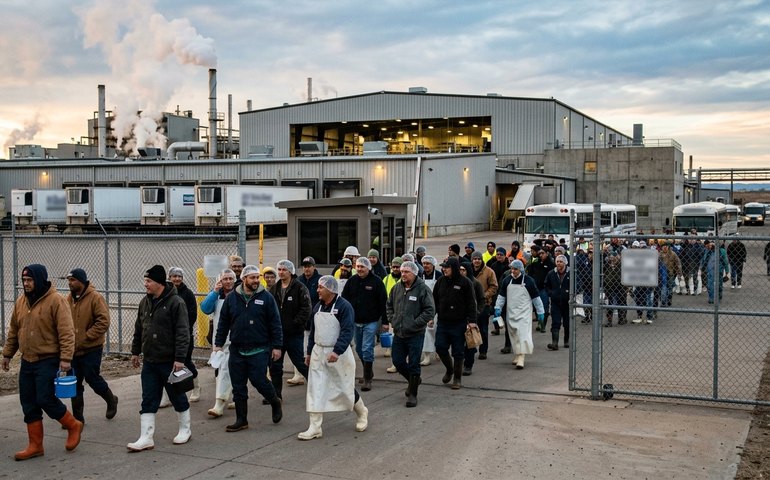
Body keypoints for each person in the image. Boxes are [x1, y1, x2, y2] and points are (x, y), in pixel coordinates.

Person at [2, 264, 83, 460]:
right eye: (24, 280)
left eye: (30, 280)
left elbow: (66, 332)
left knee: (45, 398)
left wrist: (65, 358)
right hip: (27, 360)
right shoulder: (21, 302)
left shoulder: (55, 301)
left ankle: (73, 425)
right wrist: (7, 354)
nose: (26, 284)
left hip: (48, 359)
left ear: (39, 280)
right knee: (28, 402)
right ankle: (35, 445)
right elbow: (14, 330)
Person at [128, 265, 191, 451]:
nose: (145, 284)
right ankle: (146, 437)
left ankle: (185, 430)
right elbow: (139, 329)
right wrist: (134, 352)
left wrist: (180, 359)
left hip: (171, 362)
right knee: (148, 398)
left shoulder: (176, 303)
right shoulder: (144, 302)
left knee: (177, 396)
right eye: (145, 280)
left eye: (148, 281)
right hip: (150, 361)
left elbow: (183, 332)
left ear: (159, 283)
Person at [298, 276, 368, 440]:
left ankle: (362, 412)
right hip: (318, 351)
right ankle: (315, 427)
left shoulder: (344, 307)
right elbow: (313, 332)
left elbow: (347, 331)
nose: (318, 290)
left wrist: (337, 351)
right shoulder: (318, 307)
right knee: (315, 388)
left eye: (321, 288)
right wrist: (309, 353)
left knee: (344, 387)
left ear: (330, 289)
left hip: (338, 354)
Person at [214, 265, 283, 432]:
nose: (256, 280)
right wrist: (218, 344)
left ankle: (274, 401)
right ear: (244, 279)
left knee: (259, 380)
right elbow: (223, 322)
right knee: (238, 386)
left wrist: (277, 346)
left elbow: (275, 323)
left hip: (259, 348)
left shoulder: (266, 298)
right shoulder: (232, 298)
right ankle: (241, 419)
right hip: (237, 349)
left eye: (257, 277)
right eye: (252, 277)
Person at [64, 268, 118, 425]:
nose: (70, 283)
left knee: (92, 378)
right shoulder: (69, 299)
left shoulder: (95, 298)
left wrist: (86, 336)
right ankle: (77, 418)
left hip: (91, 348)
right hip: (73, 349)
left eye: (73, 280)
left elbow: (103, 321)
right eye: (69, 281)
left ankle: (111, 400)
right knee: (74, 381)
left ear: (81, 281)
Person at [386, 261, 435, 407]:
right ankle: (413, 380)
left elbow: (429, 310)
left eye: (406, 272)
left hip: (415, 334)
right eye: (402, 272)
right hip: (399, 332)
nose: (403, 274)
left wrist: (415, 323)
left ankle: (413, 394)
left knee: (414, 363)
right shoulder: (396, 288)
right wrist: (392, 320)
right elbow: (389, 305)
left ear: (414, 273)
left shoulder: (422, 289)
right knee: (398, 361)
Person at [267, 260, 312, 403]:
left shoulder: (300, 288)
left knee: (300, 363)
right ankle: (276, 396)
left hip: (294, 334)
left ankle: (318, 387)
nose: (280, 272)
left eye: (284, 270)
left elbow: (306, 309)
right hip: (277, 336)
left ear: (290, 271)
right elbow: (268, 309)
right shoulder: (274, 289)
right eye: (279, 269)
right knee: (275, 366)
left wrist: (295, 324)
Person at [341, 257, 387, 392]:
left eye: (363, 267)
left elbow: (383, 302)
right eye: (358, 266)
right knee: (359, 349)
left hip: (371, 321)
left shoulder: (376, 282)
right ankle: (369, 371)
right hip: (355, 321)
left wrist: (385, 321)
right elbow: (344, 300)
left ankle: (367, 379)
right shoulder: (352, 281)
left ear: (369, 268)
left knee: (367, 348)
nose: (360, 269)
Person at [433, 257, 476, 389]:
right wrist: (430, 316)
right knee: (440, 347)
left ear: (454, 268)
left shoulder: (465, 282)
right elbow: (434, 300)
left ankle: (457, 378)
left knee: (458, 352)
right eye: (443, 267)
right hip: (443, 322)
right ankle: (449, 369)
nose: (444, 269)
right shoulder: (440, 281)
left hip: (459, 323)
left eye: (447, 267)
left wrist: (472, 321)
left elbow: (471, 303)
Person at [200, 268, 237, 418]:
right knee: (223, 370)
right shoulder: (216, 296)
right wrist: (214, 292)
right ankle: (224, 400)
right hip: (221, 341)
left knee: (232, 370)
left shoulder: (240, 295)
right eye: (224, 279)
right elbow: (205, 308)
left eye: (230, 279)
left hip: (237, 339)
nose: (227, 282)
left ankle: (228, 399)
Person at [494, 260, 544, 369]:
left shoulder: (529, 281)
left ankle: (522, 357)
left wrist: (540, 311)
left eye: (515, 269)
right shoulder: (507, 280)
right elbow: (501, 296)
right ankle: (517, 354)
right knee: (514, 334)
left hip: (524, 312)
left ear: (520, 269)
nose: (513, 271)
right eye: (512, 268)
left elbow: (536, 297)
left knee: (523, 334)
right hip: (511, 311)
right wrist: (497, 308)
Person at [163, 267, 200, 406]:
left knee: (186, 362)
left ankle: (196, 387)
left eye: (179, 276)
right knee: (167, 364)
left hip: (184, 335)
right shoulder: (165, 293)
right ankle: (168, 395)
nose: (177, 279)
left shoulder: (188, 294)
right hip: (168, 337)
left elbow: (192, 315)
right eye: (174, 276)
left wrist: (182, 329)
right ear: (169, 277)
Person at [469, 251, 498, 361]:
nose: (477, 261)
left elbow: (494, 286)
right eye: (475, 259)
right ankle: (472, 348)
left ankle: (483, 350)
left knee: (483, 329)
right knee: (470, 329)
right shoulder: (468, 271)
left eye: (479, 259)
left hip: (483, 305)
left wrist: (484, 295)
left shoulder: (489, 272)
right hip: (470, 305)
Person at [459, 260, 486, 376]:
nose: (461, 272)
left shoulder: (475, 283)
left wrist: (477, 312)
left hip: (471, 318)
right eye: (459, 270)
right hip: (459, 317)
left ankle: (468, 365)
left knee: (470, 342)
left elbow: (481, 300)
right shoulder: (457, 282)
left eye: (463, 270)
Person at [419, 255, 442, 366]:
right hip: (424, 307)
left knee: (437, 330)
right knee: (427, 332)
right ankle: (427, 356)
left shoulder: (439, 276)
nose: (425, 266)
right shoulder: (420, 276)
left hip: (437, 306)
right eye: (424, 264)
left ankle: (439, 350)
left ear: (433, 265)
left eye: (428, 264)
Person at [544, 255, 570, 350]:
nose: (558, 263)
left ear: (565, 263)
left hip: (568, 303)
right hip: (555, 302)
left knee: (567, 323)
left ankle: (567, 341)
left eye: (561, 261)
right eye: (557, 261)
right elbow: (546, 285)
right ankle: (555, 342)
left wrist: (571, 294)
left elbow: (577, 285)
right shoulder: (551, 273)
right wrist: (551, 293)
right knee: (555, 322)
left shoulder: (570, 273)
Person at [527, 248, 555, 332]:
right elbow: (530, 273)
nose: (541, 255)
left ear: (547, 253)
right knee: (536, 307)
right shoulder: (536, 263)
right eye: (539, 253)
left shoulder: (550, 264)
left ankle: (542, 325)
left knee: (544, 307)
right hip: (535, 288)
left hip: (544, 289)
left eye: (543, 253)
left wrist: (549, 288)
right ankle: (539, 322)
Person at [700, 240, 729, 304]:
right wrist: (702, 269)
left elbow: (725, 262)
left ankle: (719, 296)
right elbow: (705, 260)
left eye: (712, 244)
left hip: (719, 270)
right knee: (710, 285)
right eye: (710, 245)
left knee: (719, 284)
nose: (710, 246)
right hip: (710, 270)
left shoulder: (721, 251)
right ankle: (711, 298)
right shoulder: (708, 251)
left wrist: (727, 271)